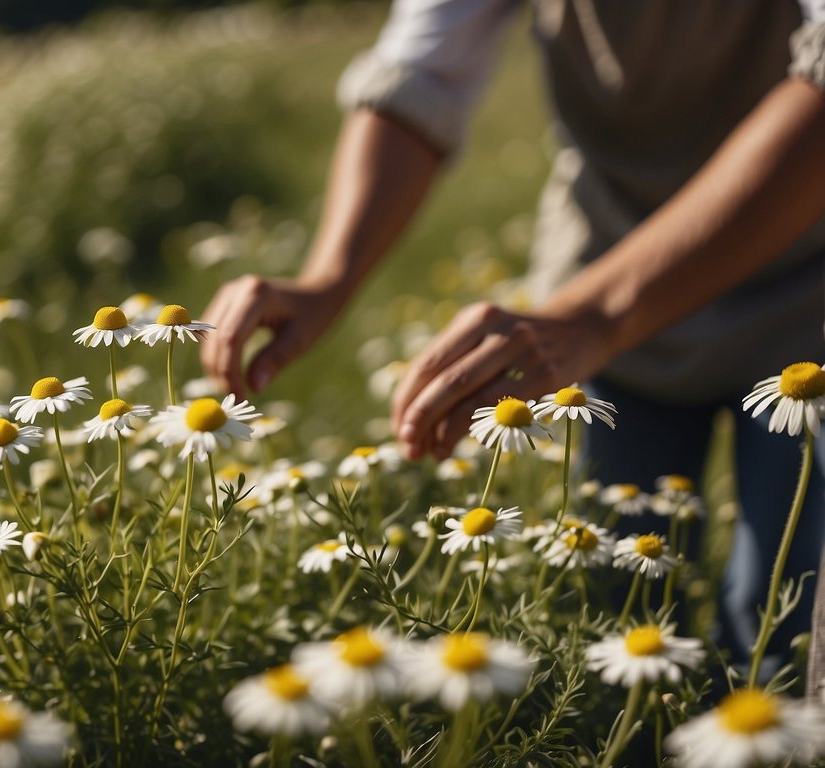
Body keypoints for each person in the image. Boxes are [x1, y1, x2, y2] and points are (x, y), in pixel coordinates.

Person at [200, 0, 825, 691]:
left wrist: (586, 317)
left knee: (783, 625)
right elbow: (419, 77)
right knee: (621, 630)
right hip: (607, 287)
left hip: (802, 307)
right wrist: (329, 276)